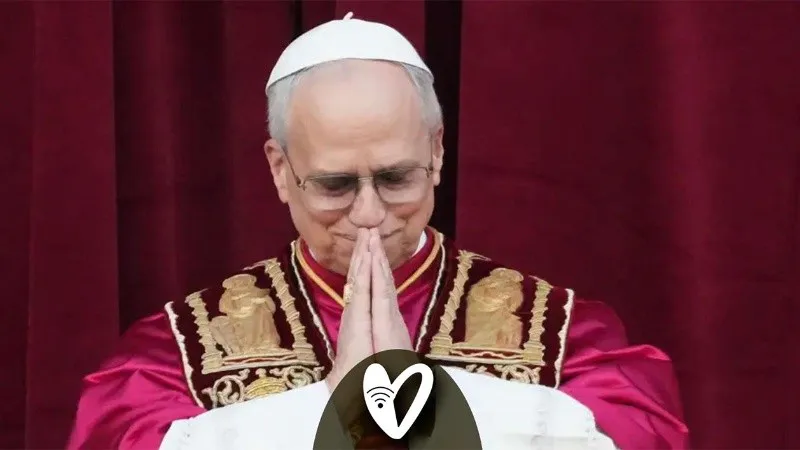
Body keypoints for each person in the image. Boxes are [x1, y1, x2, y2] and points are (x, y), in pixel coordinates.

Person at [67, 12, 689, 450]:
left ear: (437, 152)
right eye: (335, 185)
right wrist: (334, 406)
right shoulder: (178, 354)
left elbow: (637, 436)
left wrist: (421, 405)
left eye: (395, 178)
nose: (369, 213)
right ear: (280, 170)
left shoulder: (560, 336)